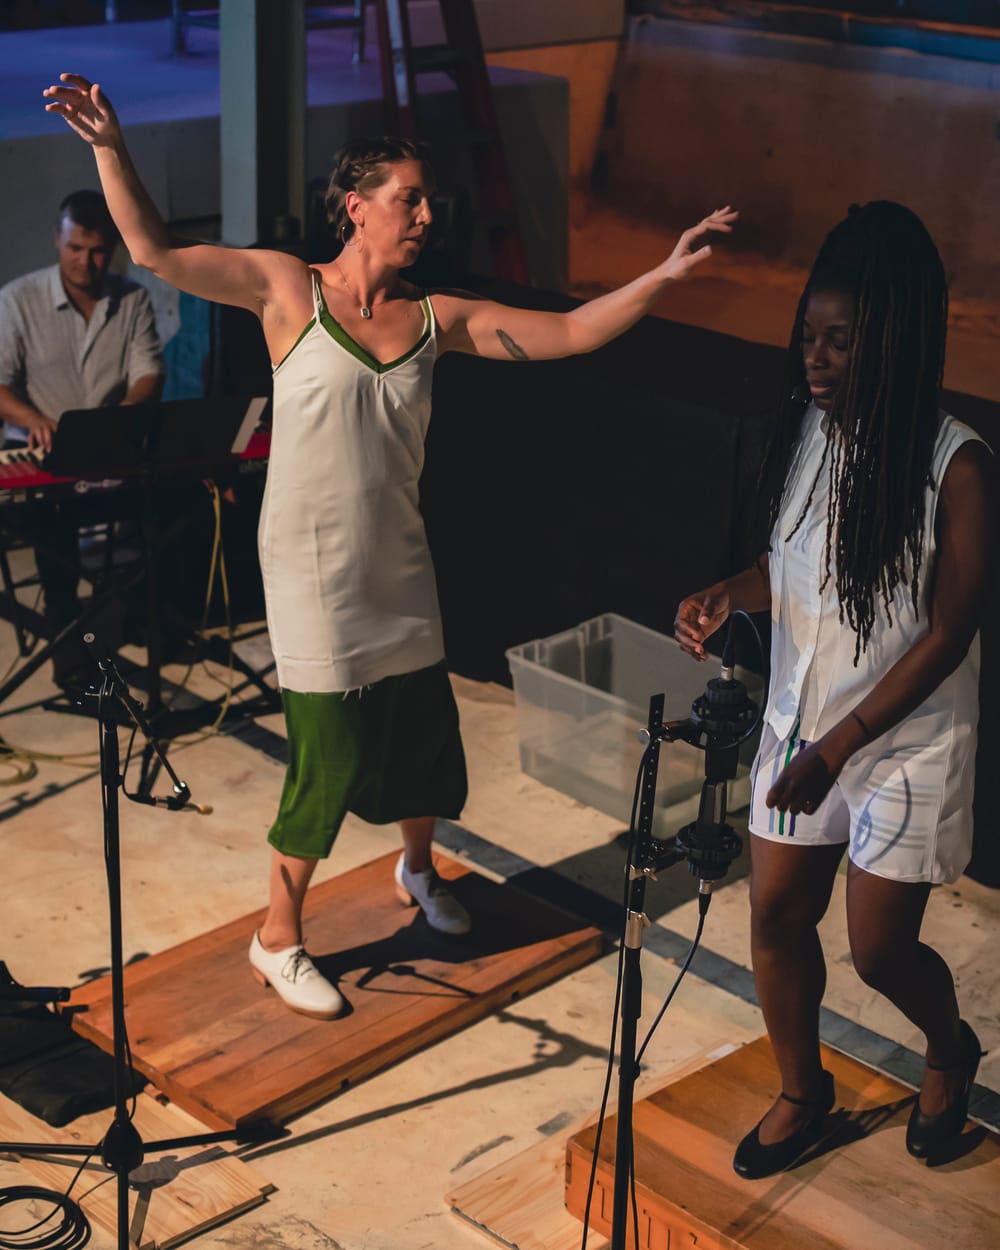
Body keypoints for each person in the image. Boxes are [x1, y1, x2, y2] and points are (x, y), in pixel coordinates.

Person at [44, 71, 737, 1021]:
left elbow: (573, 331)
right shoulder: (289, 290)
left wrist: (661, 275)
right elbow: (157, 253)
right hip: (309, 571)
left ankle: (415, 868)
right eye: (407, 198)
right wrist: (110, 147)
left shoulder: (436, 319)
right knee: (327, 757)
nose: (423, 213)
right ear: (356, 205)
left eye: (426, 200)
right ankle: (276, 938)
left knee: (422, 735)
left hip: (398, 567)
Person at [674, 201, 995, 1175]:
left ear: (890, 343)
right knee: (773, 909)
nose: (813, 359)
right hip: (802, 718)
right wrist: (726, 594)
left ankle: (949, 1045)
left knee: (878, 946)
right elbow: (796, 568)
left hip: (899, 738)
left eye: (839, 341)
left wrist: (839, 748)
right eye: (806, 336)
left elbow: (947, 632)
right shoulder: (809, 432)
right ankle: (802, 1091)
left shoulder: (957, 465)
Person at [0, 188, 164, 688]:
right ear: (57, 241)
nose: (85, 261)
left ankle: (150, 617)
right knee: (54, 525)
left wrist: (119, 421)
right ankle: (69, 648)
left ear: (111, 249)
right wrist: (34, 420)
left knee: (171, 504)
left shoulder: (132, 298)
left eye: (96, 251)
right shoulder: (17, 299)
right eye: (75, 248)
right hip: (44, 450)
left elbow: (148, 375)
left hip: (111, 446)